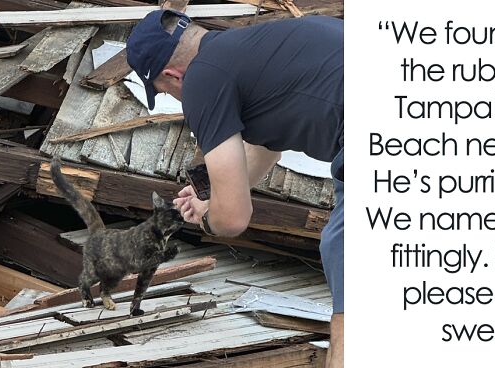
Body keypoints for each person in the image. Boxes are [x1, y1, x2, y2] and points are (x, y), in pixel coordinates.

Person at [126, 9, 344, 367]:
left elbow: (235, 219)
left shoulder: (201, 80)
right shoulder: (250, 46)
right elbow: (268, 144)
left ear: (171, 75)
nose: (179, 100)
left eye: (166, 93)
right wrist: (210, 195)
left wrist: (211, 219)